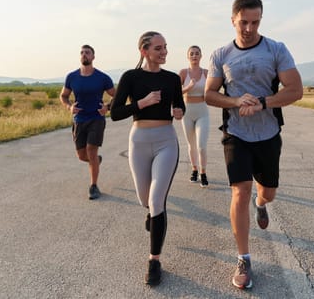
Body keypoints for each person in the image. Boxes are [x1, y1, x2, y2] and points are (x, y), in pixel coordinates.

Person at [204, 0, 303, 290]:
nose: (249, 28)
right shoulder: (220, 54)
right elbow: (209, 94)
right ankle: (244, 258)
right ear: (233, 19)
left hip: (268, 133)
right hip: (236, 133)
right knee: (240, 191)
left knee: (267, 192)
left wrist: (262, 102)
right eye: (243, 22)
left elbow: (295, 89)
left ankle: (262, 204)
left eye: (255, 22)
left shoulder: (276, 49)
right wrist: (235, 100)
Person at [110, 31, 185, 286]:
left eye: (165, 47)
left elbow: (180, 105)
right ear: (144, 51)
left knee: (156, 200)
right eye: (158, 48)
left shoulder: (172, 78)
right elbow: (115, 113)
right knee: (144, 199)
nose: (164, 52)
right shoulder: (131, 77)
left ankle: (154, 260)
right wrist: (141, 104)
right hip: (139, 141)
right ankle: (152, 215)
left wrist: (179, 111)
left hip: (166, 141)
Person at [60, 44, 115, 200]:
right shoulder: (72, 77)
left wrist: (108, 107)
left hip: (96, 119)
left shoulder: (102, 77)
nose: (84, 55)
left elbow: (117, 95)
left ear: (93, 57)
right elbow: (63, 96)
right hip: (79, 120)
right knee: (82, 156)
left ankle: (94, 186)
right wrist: (69, 107)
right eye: (82, 53)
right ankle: (96, 161)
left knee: (91, 150)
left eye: (88, 52)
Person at [178, 45, 210, 187]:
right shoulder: (183, 73)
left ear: (201, 56)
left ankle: (203, 172)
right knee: (191, 145)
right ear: (188, 56)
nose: (194, 56)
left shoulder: (207, 73)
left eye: (197, 53)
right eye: (191, 54)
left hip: (202, 111)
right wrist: (188, 88)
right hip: (187, 112)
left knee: (201, 145)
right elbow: (176, 93)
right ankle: (194, 170)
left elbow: (212, 91)